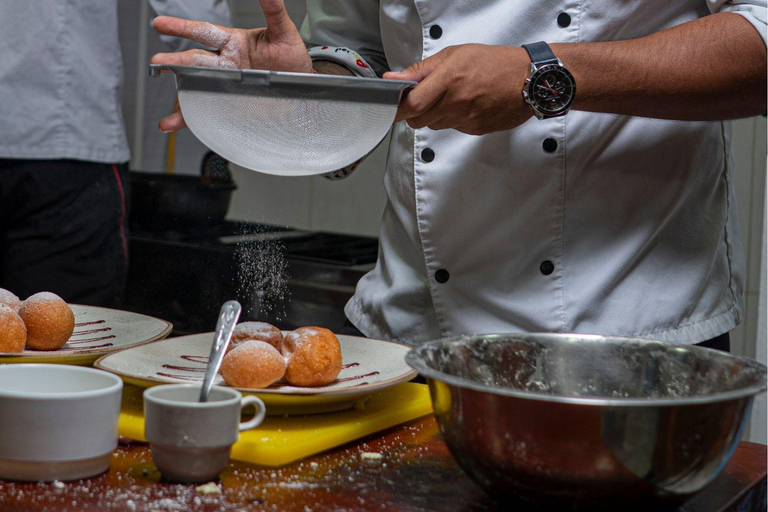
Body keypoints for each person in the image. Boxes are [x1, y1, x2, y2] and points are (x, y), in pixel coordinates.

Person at [151, 0, 767, 351]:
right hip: (407, 331)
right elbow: (364, 52)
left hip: (617, 330)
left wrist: (546, 74)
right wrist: (302, 91)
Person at [0, 0, 230, 308]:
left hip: (66, 138)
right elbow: (199, 21)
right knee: (69, 339)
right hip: (66, 147)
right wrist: (223, 65)